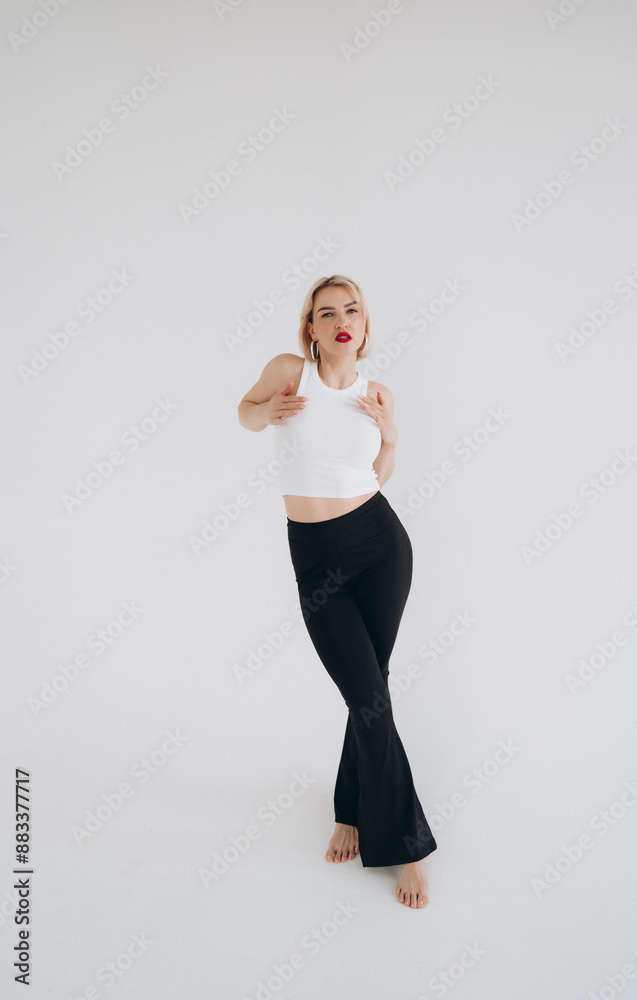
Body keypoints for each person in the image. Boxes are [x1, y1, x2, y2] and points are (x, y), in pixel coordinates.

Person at [237, 274, 437, 908]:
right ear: (311, 327)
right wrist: (266, 413)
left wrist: (392, 436)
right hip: (317, 556)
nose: (341, 320)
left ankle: (364, 820)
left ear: (365, 325)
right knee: (368, 694)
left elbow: (377, 472)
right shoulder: (289, 372)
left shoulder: (377, 394)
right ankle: (390, 831)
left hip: (381, 546)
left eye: (352, 310)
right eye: (327, 313)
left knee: (370, 690)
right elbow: (244, 412)